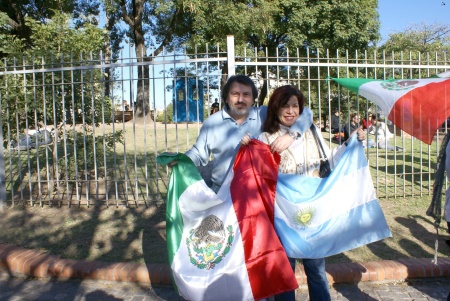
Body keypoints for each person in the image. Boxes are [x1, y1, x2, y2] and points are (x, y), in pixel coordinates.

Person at [248, 85, 364, 301]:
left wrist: (351, 142)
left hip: (312, 213)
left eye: (295, 106)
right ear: (275, 108)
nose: (291, 111)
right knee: (285, 273)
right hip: (282, 217)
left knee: (317, 272)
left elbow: (327, 161)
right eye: (285, 105)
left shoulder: (311, 132)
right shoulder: (266, 138)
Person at [184, 75, 313, 193]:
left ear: (253, 99)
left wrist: (291, 135)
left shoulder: (263, 114)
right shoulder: (212, 123)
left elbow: (306, 113)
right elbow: (198, 154)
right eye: (235, 94)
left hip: (254, 194)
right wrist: (180, 160)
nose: (240, 99)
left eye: (246, 94)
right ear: (226, 98)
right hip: (222, 192)